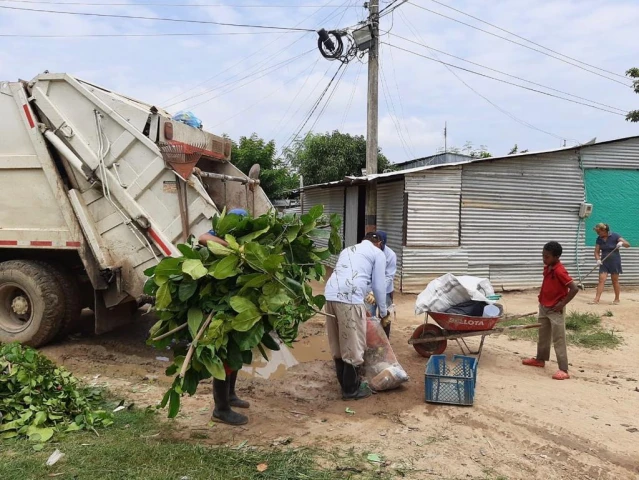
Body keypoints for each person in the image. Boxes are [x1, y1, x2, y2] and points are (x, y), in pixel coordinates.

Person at [198, 208, 250, 426]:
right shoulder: (218, 235)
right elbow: (202, 238)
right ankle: (220, 409)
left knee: (236, 352)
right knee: (223, 355)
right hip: (218, 304)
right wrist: (234, 248)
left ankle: (230, 395)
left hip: (237, 303)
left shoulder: (248, 239)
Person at [324, 232, 389, 400]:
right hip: (349, 298)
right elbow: (379, 285)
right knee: (353, 345)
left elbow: (355, 277)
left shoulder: (348, 250)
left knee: (338, 343)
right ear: (379, 243)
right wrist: (383, 312)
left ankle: (344, 385)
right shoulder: (378, 253)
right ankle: (351, 390)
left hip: (330, 295)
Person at [522, 241, 579, 380]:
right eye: (543, 255)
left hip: (555, 309)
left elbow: (574, 288)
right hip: (544, 306)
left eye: (547, 256)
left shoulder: (560, 270)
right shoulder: (548, 267)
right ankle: (540, 360)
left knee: (558, 338)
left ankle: (563, 369)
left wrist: (562, 304)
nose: (544, 258)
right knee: (543, 335)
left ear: (556, 257)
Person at [364, 230, 397, 338]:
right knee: (369, 315)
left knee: (385, 315)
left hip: (386, 291)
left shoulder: (391, 255)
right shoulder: (368, 253)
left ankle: (385, 340)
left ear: (382, 243)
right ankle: (371, 340)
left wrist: (377, 290)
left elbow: (388, 277)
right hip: (369, 290)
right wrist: (370, 291)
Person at [591, 223, 630, 305]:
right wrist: (598, 259)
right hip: (604, 262)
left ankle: (617, 299)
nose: (598, 234)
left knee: (614, 280)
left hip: (615, 261)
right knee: (601, 280)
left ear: (604, 230)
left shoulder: (615, 236)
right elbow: (596, 251)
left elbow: (628, 245)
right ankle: (596, 299)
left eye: (599, 232)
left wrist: (621, 244)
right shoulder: (599, 239)